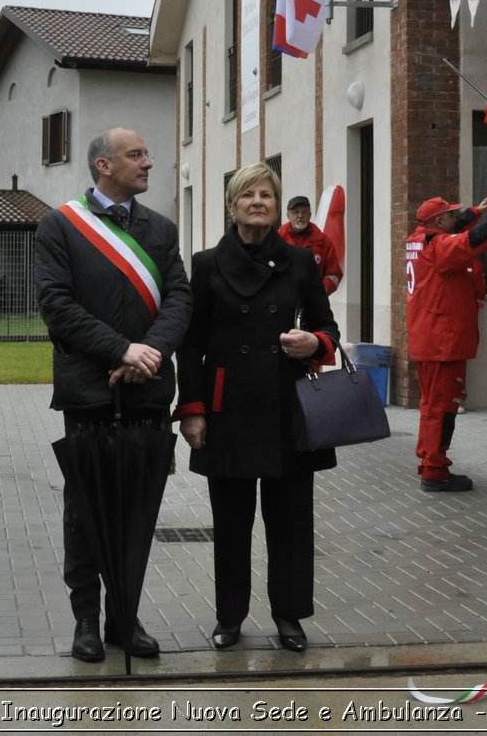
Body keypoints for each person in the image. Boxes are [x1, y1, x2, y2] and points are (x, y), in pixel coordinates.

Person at [34, 127, 191, 663]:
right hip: (89, 393)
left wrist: (150, 350)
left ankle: (125, 617)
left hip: (147, 394)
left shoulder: (161, 229)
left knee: (137, 511)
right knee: (84, 511)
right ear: (104, 165)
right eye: (136, 155)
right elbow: (56, 305)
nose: (149, 162)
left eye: (147, 152)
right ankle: (86, 621)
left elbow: (179, 299)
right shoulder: (61, 226)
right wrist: (121, 349)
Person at [176, 163, 339, 654]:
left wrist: (313, 342)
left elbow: (327, 329)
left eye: (267, 195)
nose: (259, 202)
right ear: (232, 204)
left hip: (286, 407)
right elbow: (190, 345)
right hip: (228, 409)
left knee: (290, 520)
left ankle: (289, 615)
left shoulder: (301, 263)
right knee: (231, 522)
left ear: (277, 206)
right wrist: (193, 409)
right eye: (249, 195)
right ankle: (230, 616)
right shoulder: (206, 264)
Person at [404, 193, 487, 492]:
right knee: (441, 407)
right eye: (450, 216)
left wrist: (473, 213)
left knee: (432, 404)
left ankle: (430, 462)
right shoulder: (439, 247)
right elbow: (470, 241)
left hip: (430, 338)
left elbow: (456, 233)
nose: (455, 219)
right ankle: (434, 470)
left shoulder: (420, 240)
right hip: (442, 341)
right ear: (439, 221)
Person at [278, 195, 343, 296]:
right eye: (295, 212)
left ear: (310, 215)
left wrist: (322, 290)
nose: (300, 216)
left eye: (304, 212)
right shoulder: (278, 240)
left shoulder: (323, 241)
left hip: (313, 304)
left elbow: (334, 274)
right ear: (288, 215)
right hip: (284, 301)